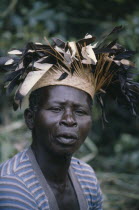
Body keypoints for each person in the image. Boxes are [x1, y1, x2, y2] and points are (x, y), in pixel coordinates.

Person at [0, 26, 138, 209]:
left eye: (80, 112)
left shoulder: (86, 177)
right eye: (56, 109)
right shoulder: (14, 186)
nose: (69, 120)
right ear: (30, 118)